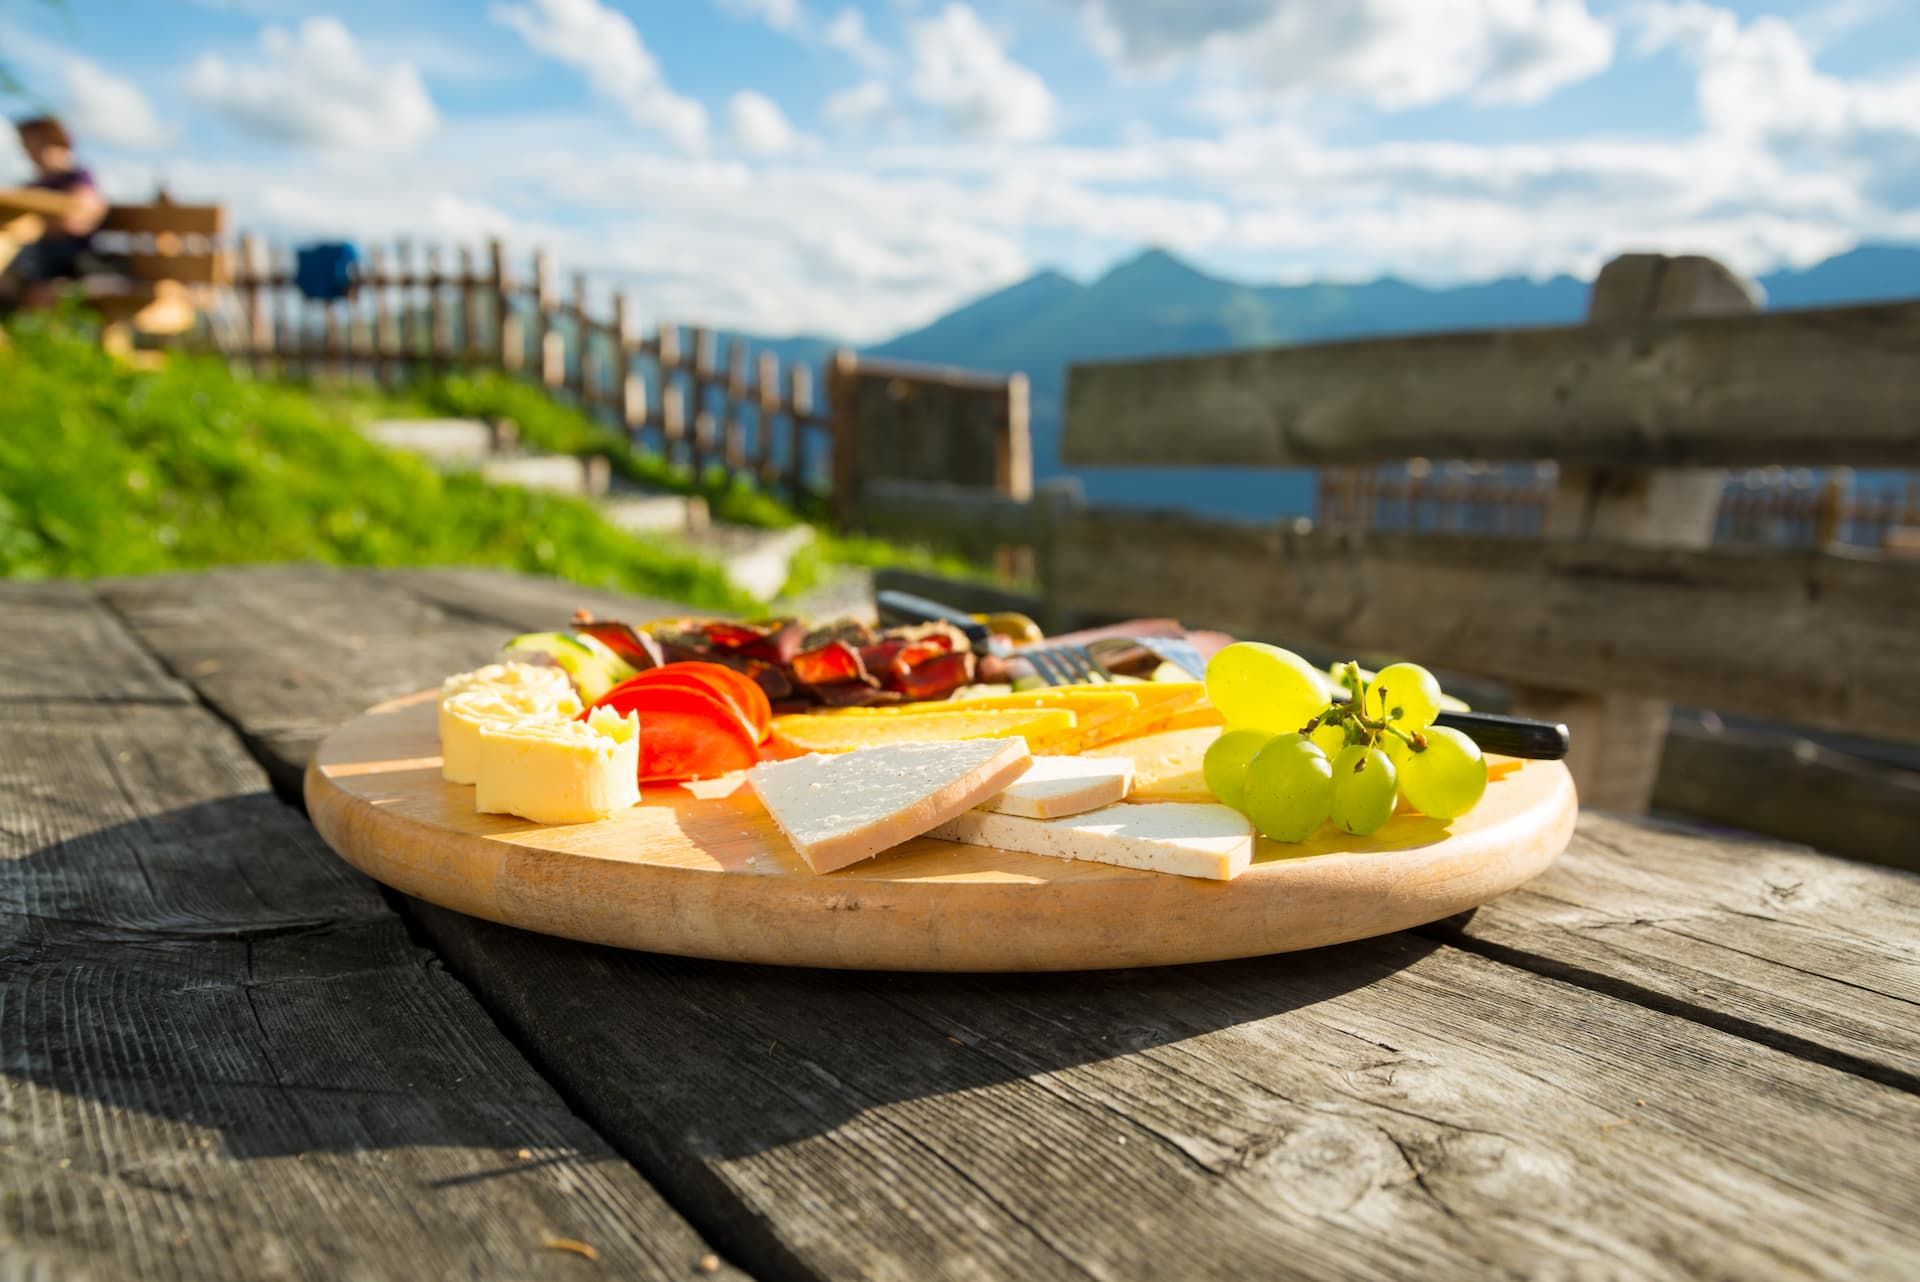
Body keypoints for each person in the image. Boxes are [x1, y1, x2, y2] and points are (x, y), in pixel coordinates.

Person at [0, 115, 109, 311]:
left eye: (31, 145)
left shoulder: (79, 178)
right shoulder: (33, 185)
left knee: (15, 256)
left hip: (66, 259)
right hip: (37, 256)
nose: (28, 153)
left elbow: (79, 218)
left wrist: (33, 228)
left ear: (51, 142)